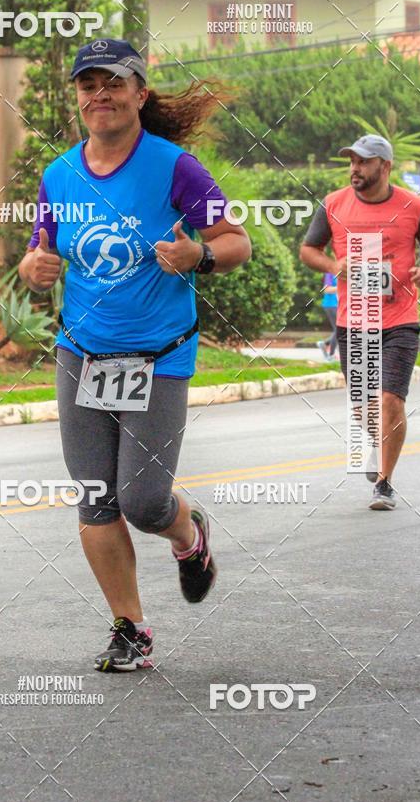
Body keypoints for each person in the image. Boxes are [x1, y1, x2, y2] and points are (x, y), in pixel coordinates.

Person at [19, 39, 251, 671]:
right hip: (83, 356)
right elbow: (42, 249)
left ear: (139, 94)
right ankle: (131, 629)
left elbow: (236, 242)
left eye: (113, 83)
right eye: (88, 85)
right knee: (97, 495)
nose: (100, 95)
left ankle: (188, 532)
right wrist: (35, 265)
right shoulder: (59, 175)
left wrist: (198, 254)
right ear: (78, 98)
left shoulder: (176, 168)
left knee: (144, 500)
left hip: (157, 357)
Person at [300, 134, 420, 510]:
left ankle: (384, 483)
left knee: (390, 400)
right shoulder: (333, 204)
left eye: (364, 162)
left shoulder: (414, 206)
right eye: (352, 161)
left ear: (385, 166)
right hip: (354, 321)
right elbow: (308, 249)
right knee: (364, 406)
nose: (355, 168)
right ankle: (378, 444)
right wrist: (335, 266)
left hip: (400, 319)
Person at [316, 272, 338, 362]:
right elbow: (326, 289)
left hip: (338, 305)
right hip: (331, 304)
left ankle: (325, 344)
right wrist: (343, 288)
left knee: (340, 330)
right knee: (340, 330)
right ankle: (331, 355)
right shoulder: (329, 273)